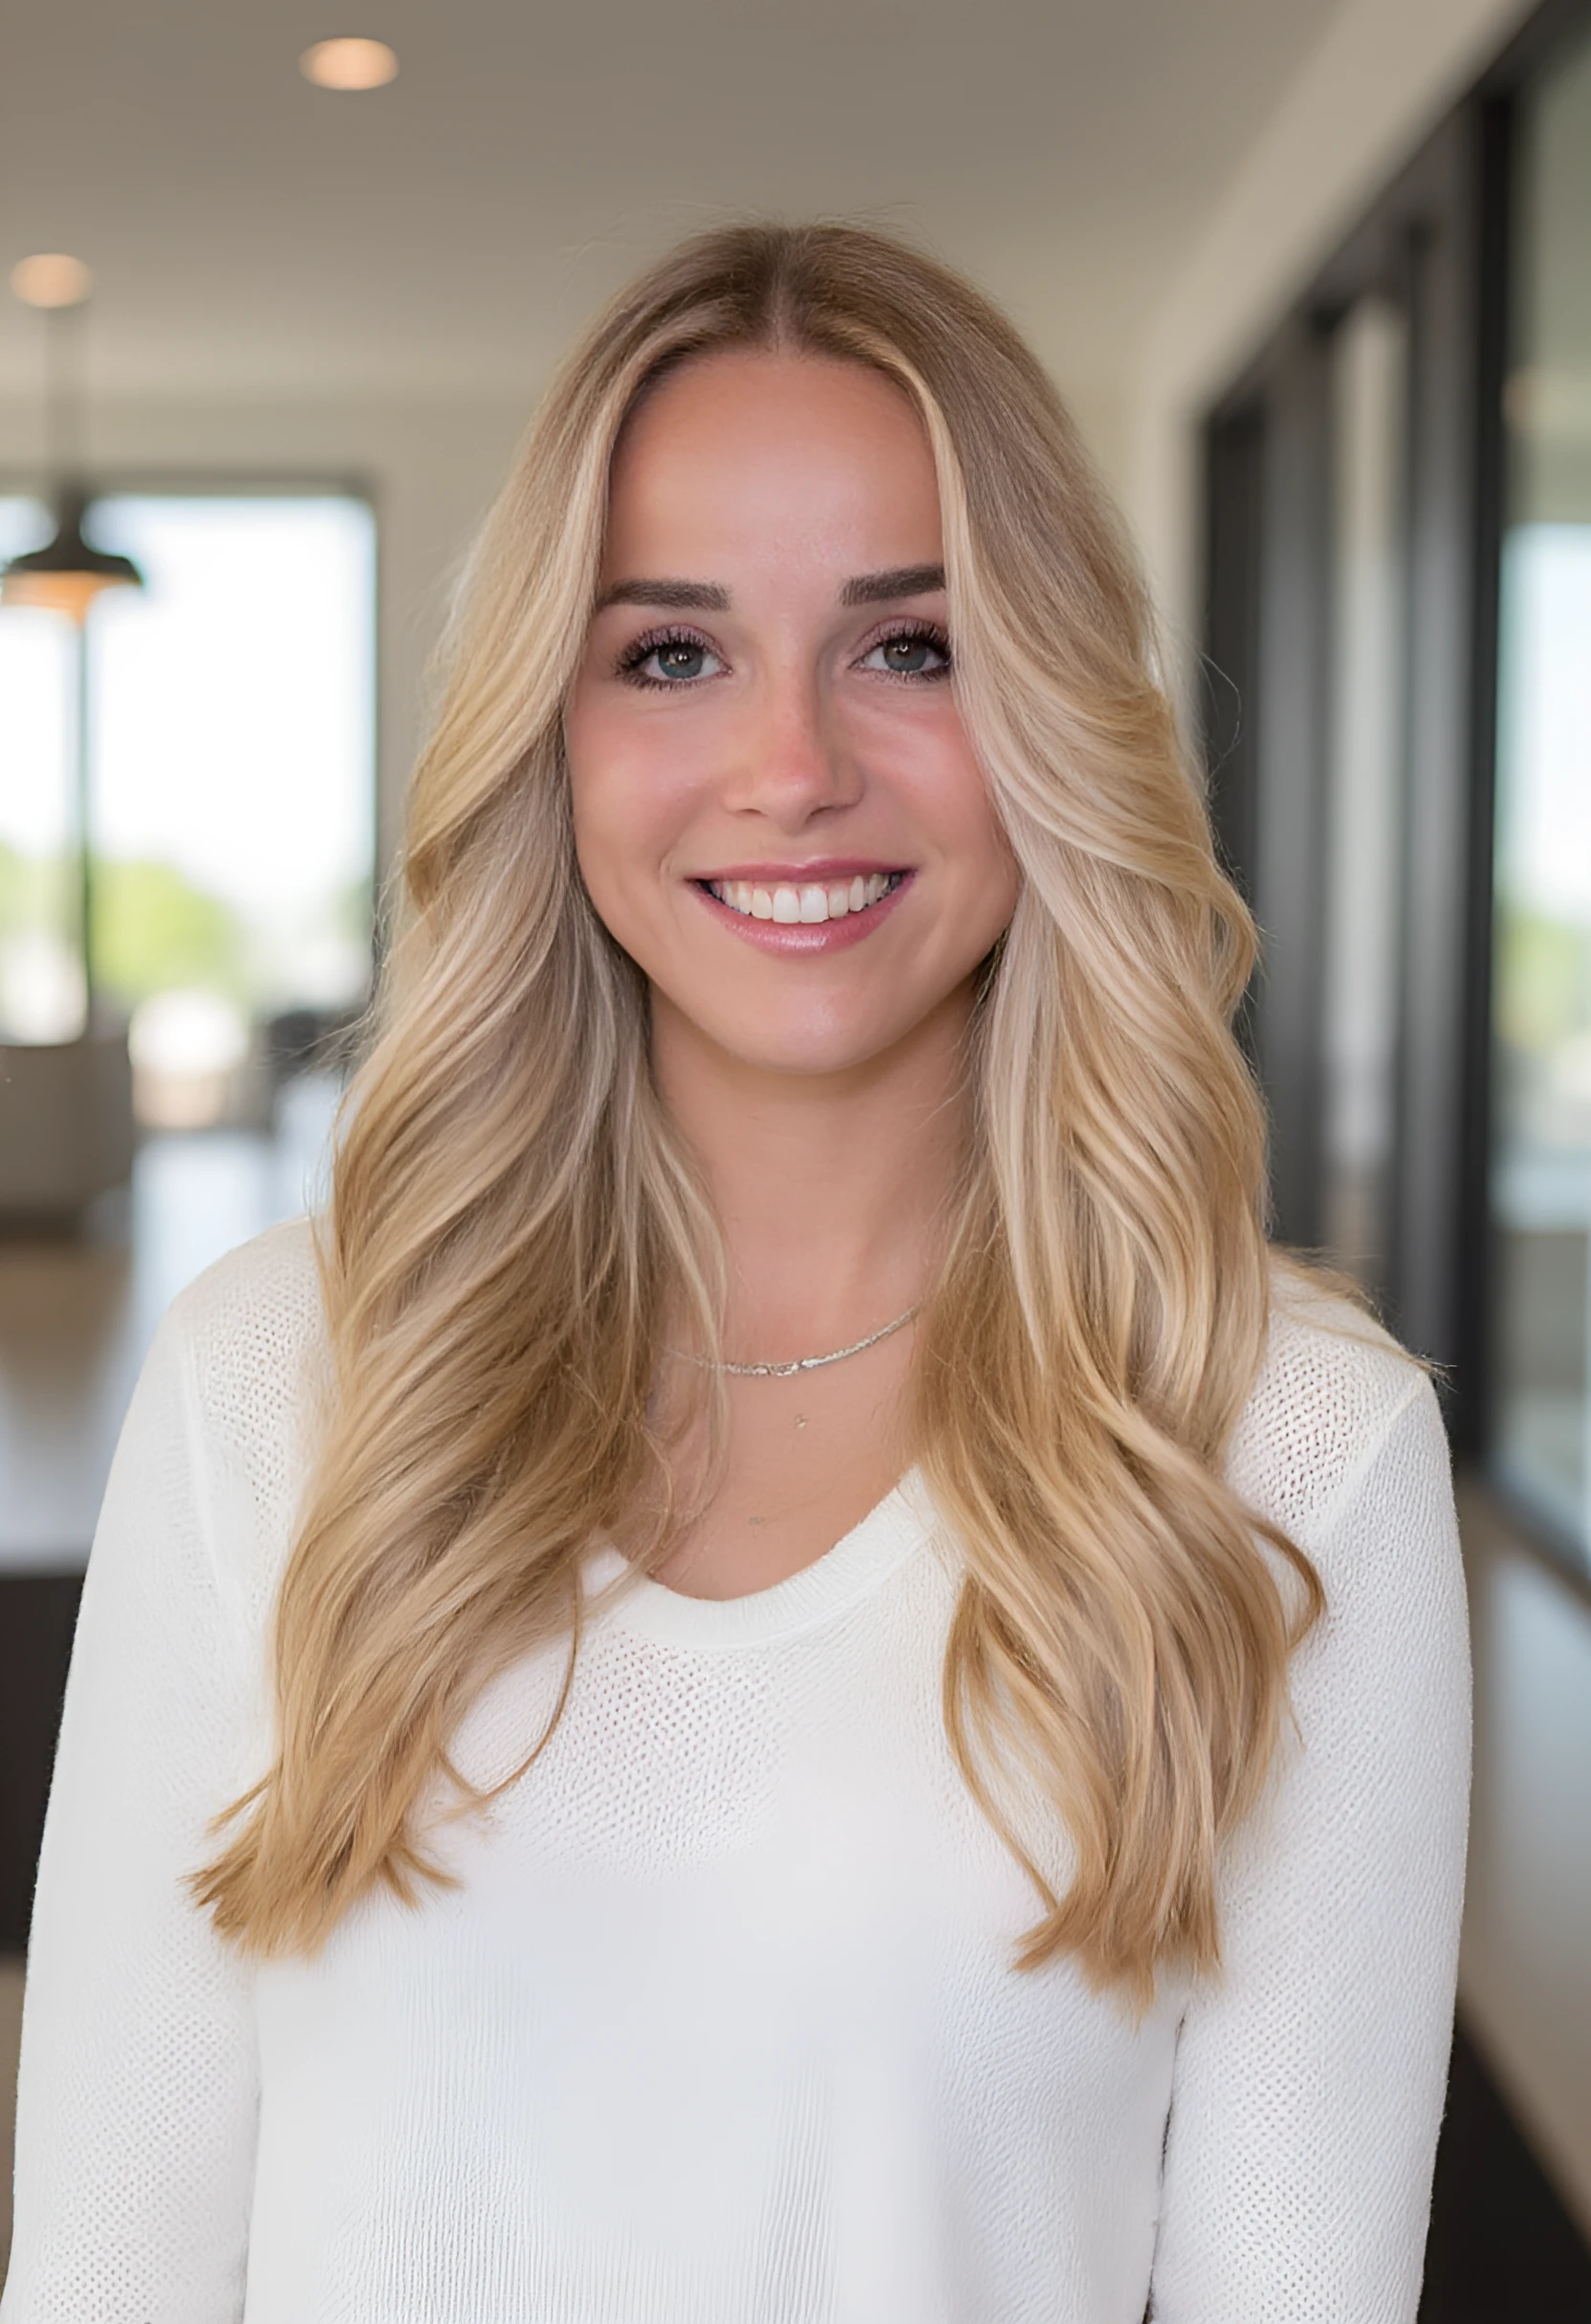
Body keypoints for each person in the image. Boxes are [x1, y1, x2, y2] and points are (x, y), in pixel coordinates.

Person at [2, 224, 1469, 2324]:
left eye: (912, 645)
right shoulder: (283, 1380)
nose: (790, 766)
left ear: (1052, 703)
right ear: (555, 729)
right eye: (671, 653)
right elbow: (109, 2266)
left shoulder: (1289, 1451)